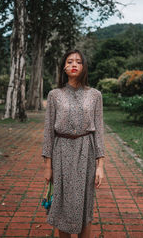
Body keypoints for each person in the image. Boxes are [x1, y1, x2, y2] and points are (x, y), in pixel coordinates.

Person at [42, 50, 105, 238]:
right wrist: (48, 166)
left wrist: (100, 165)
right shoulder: (55, 95)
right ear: (64, 67)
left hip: (86, 150)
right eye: (70, 61)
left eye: (78, 61)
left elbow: (99, 131)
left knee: (85, 205)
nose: (74, 64)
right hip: (61, 151)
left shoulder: (95, 95)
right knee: (62, 205)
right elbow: (48, 132)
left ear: (84, 67)